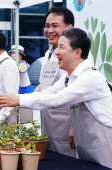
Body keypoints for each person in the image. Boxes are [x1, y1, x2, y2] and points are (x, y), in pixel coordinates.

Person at [0, 28, 112, 170]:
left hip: (105, 149)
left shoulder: (90, 77)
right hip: (87, 150)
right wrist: (18, 98)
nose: (56, 52)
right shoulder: (68, 78)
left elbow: (58, 99)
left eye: (61, 47)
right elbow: (47, 93)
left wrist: (18, 100)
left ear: (77, 52)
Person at [33, 6, 78, 157]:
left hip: (65, 124)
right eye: (47, 26)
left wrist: (74, 126)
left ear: (69, 28)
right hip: (47, 122)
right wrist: (26, 100)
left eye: (55, 26)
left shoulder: (75, 55)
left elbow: (78, 91)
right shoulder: (48, 54)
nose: (49, 30)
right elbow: (43, 84)